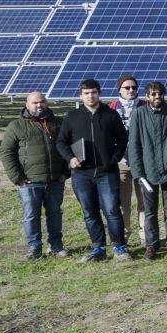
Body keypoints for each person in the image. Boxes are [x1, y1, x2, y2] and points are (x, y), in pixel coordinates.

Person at [57, 79, 130, 262]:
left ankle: (119, 247)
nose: (91, 96)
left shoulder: (110, 115)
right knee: (90, 212)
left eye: (94, 92)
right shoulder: (72, 116)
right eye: (87, 93)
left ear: (99, 93)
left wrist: (113, 159)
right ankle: (98, 248)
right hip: (82, 174)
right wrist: (70, 158)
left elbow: (122, 139)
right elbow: (61, 142)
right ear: (80, 95)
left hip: (107, 172)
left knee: (112, 210)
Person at [127, 81, 167, 260]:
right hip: (147, 172)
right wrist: (138, 172)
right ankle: (151, 245)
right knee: (149, 210)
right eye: (153, 94)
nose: (157, 97)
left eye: (160, 94)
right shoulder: (138, 114)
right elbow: (134, 145)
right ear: (147, 96)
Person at [2, 91, 68, 259]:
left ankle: (56, 246)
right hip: (30, 182)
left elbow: (69, 148)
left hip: (55, 180)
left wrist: (65, 173)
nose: (39, 105)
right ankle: (34, 248)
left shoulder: (58, 123)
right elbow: (7, 153)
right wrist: (18, 178)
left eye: (42, 102)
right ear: (27, 104)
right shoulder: (16, 126)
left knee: (55, 213)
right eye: (35, 103)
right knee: (31, 216)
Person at [110, 75, 146, 243]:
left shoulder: (145, 106)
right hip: (121, 164)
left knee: (145, 203)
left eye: (134, 87)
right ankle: (123, 237)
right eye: (127, 88)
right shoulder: (111, 109)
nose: (131, 90)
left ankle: (146, 236)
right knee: (123, 204)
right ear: (119, 90)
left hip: (144, 164)